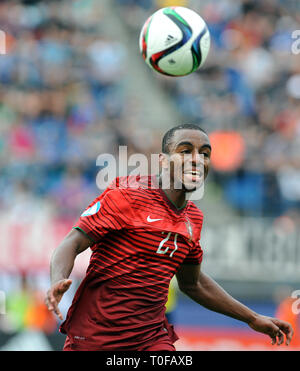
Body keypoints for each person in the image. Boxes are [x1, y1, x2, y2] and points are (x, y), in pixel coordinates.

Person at [45, 123, 293, 351]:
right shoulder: (127, 196)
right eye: (185, 151)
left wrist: (252, 318)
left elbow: (193, 283)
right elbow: (72, 242)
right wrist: (58, 280)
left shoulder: (193, 220)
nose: (197, 159)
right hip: (95, 337)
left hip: (151, 340)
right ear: (163, 161)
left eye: (204, 154)